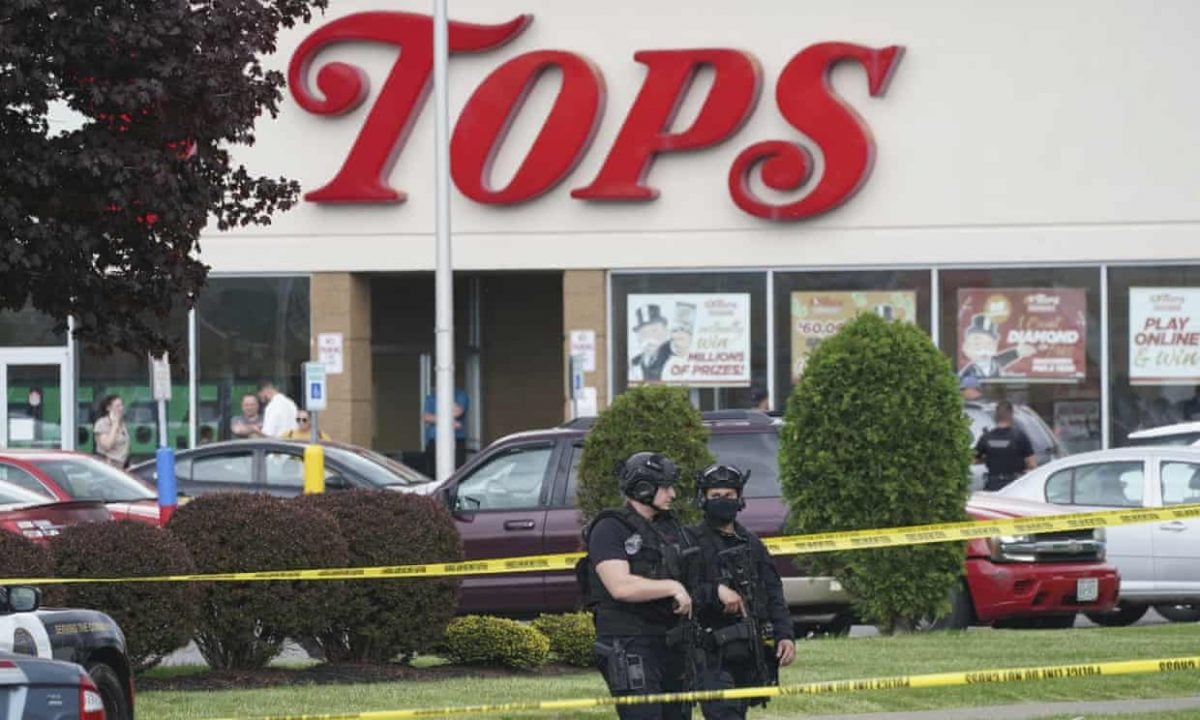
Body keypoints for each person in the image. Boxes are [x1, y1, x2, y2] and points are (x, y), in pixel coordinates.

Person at [582, 452, 696, 720]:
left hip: (670, 641)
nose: (673, 494)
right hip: (629, 641)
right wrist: (672, 586)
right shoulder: (610, 527)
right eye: (666, 486)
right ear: (643, 487)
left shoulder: (669, 528)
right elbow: (619, 586)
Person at [688, 464, 795, 720]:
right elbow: (678, 590)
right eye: (715, 496)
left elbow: (773, 591)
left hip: (748, 649)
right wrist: (715, 592)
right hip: (709, 650)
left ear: (740, 499)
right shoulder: (689, 541)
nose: (723, 502)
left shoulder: (751, 543)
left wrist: (785, 635)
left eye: (729, 496)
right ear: (703, 499)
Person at [974, 400, 1037, 491]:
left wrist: (989, 458)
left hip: (993, 484)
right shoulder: (1019, 436)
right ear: (1011, 415)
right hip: (1014, 485)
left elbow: (973, 459)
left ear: (996, 416)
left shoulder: (986, 437)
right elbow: (1032, 464)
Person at [958, 314, 1034, 381]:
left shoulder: (994, 363)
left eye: (989, 343)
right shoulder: (969, 372)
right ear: (967, 347)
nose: (984, 348)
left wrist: (1018, 352)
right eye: (977, 343)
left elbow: (1004, 358)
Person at [424, 388, 469, 473]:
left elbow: (457, 412)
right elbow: (426, 417)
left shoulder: (460, 395)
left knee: (456, 472)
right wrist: (450, 422)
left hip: (456, 440)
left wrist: (436, 419)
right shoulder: (431, 397)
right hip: (434, 440)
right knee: (433, 472)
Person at [630, 305, 672, 382]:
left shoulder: (675, 358)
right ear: (638, 338)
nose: (649, 337)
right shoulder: (634, 364)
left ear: (665, 332)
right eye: (644, 333)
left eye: (654, 331)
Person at [93, 394, 131, 469]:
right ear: (108, 408)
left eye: (121, 405)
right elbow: (107, 445)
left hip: (122, 465)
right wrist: (114, 425)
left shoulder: (122, 424)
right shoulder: (102, 423)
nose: (121, 408)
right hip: (108, 465)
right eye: (117, 406)